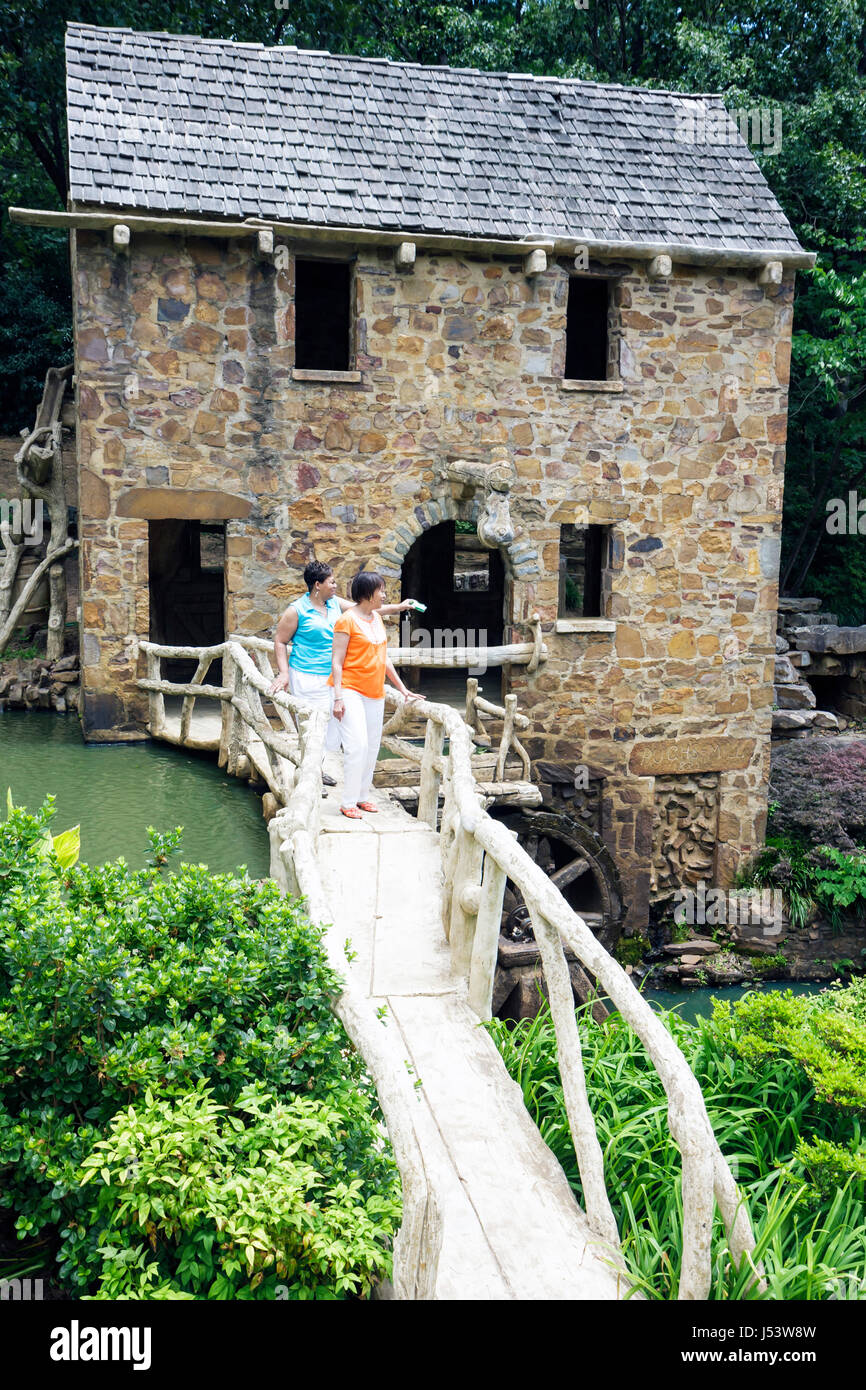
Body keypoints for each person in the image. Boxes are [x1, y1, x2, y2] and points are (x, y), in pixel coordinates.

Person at [270, 561, 409, 784]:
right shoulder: (296, 610)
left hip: (334, 677)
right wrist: (284, 673)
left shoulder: (335, 604)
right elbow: (280, 641)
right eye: (332, 582)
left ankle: (316, 768)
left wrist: (400, 607)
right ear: (318, 584)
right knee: (311, 726)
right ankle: (310, 777)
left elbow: (367, 607)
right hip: (305, 675)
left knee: (331, 728)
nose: (335, 585)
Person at [329, 571, 420, 819]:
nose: (384, 594)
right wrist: (337, 697)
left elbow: (384, 659)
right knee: (357, 746)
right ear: (367, 593)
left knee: (371, 746)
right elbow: (336, 662)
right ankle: (347, 802)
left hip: (374, 690)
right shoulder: (346, 620)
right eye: (381, 590)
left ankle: (362, 797)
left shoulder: (376, 620)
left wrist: (402, 688)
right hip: (348, 689)